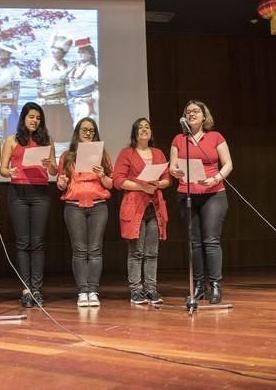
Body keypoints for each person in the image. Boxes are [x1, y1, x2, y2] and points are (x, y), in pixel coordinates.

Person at [169, 100, 233, 305]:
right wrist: (175, 171)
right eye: (188, 112)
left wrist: (216, 179)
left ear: (204, 116)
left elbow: (228, 164)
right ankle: (198, 286)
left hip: (213, 192)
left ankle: (215, 285)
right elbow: (172, 167)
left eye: (196, 111)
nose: (191, 114)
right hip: (187, 193)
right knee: (194, 242)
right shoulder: (179, 139)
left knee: (211, 240)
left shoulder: (215, 137)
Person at [0, 102, 57, 307]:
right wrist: (10, 172)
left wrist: (51, 165)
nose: (35, 120)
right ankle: (26, 290)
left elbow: (54, 172)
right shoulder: (12, 140)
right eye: (31, 116)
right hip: (18, 193)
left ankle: (37, 289)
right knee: (23, 242)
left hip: (40, 193)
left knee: (38, 242)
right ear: (24, 118)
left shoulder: (46, 140)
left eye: (38, 117)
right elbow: (2, 169)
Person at [113, 118, 170, 305]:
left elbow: (167, 179)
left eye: (147, 127)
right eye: (140, 127)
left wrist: (157, 184)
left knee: (152, 252)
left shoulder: (158, 153)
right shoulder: (126, 153)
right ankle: (136, 291)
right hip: (135, 205)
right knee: (136, 252)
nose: (144, 129)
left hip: (155, 207)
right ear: (135, 133)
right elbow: (118, 181)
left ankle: (151, 289)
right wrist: (142, 187)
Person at [57, 118, 113, 307]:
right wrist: (62, 182)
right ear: (78, 132)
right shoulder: (67, 155)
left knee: (95, 250)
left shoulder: (102, 155)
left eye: (91, 131)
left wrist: (102, 175)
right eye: (84, 130)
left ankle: (93, 290)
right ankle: (82, 291)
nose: (88, 133)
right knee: (80, 250)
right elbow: (61, 184)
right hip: (74, 206)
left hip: (98, 205)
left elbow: (110, 184)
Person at [38, 34, 73, 141]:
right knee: (48, 126)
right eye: (53, 51)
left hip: (61, 100)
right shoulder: (45, 63)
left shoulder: (67, 64)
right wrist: (65, 74)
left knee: (63, 128)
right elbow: (49, 77)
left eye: (57, 51)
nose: (54, 53)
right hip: (48, 100)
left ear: (63, 53)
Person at [67, 38, 98, 128]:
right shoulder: (74, 67)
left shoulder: (92, 68)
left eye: (83, 52)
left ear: (90, 54)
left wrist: (93, 97)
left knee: (84, 126)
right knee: (75, 126)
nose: (80, 54)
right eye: (79, 51)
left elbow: (102, 84)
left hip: (86, 102)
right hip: (74, 103)